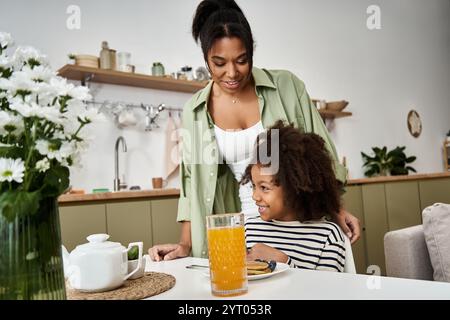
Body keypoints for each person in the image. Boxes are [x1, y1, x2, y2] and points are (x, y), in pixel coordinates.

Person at [149, 0, 360, 262]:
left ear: (251, 52)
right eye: (219, 63)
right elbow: (192, 185)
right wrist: (184, 245)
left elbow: (322, 154)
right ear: (205, 60)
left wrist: (337, 208)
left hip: (303, 224)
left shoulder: (286, 86)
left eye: (241, 60)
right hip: (247, 228)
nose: (232, 73)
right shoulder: (195, 110)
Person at [243, 121, 345, 272]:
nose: (255, 196)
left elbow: (326, 291)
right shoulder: (249, 229)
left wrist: (283, 262)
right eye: (254, 186)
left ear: (294, 188)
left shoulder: (327, 236)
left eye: (264, 188)